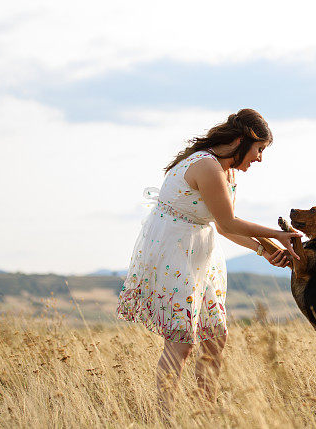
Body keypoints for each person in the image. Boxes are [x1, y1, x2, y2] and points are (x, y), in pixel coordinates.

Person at [116, 109, 301, 406]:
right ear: (242, 141)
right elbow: (228, 222)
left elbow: (224, 226)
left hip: (201, 251)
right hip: (174, 253)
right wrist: (276, 235)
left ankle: (206, 412)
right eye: (259, 149)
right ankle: (164, 420)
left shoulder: (226, 170)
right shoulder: (206, 166)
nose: (260, 158)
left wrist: (265, 250)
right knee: (181, 344)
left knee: (215, 338)